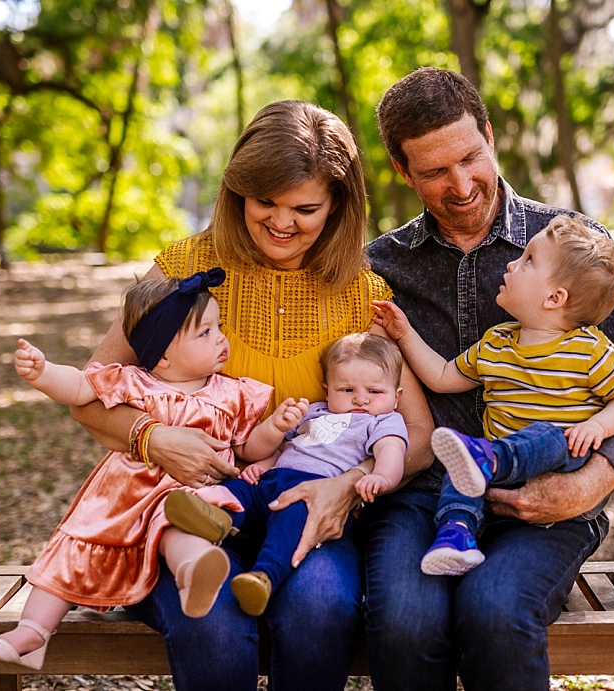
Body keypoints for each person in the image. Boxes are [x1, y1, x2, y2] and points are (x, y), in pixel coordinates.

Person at [69, 100, 434, 691]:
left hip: (306, 506)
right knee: (210, 620)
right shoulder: (184, 270)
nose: (281, 222)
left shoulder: (361, 293)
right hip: (186, 512)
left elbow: (416, 437)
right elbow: (88, 391)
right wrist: (153, 437)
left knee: (319, 607)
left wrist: (347, 484)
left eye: (305, 208)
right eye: (265, 200)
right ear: (238, 189)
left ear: (338, 206)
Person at [361, 67, 614, 690]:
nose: (460, 185)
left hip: (551, 490)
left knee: (496, 611)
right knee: (402, 622)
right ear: (403, 171)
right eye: (433, 172)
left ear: (489, 135)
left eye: (470, 157)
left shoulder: (569, 244)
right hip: (423, 491)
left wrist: (588, 484)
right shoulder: (383, 267)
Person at [0, 271, 305, 669]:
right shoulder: (135, 382)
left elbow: (245, 447)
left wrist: (275, 428)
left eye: (219, 328)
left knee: (180, 522)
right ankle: (31, 635)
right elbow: (79, 389)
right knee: (74, 546)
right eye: (205, 332)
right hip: (124, 497)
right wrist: (43, 373)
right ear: (162, 355)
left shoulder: (231, 393)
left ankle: (193, 572)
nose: (220, 338)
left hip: (190, 497)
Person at [372, 214, 614, 576]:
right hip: (496, 466)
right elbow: (441, 377)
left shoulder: (590, 350)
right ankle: (456, 538)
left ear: (555, 297)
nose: (511, 263)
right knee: (461, 469)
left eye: (528, 260)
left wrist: (598, 425)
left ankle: (485, 459)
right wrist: (403, 333)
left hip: (556, 461)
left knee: (546, 434)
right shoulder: (496, 342)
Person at [163, 332, 409, 615]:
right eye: (347, 390)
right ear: (327, 389)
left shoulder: (384, 421)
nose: (361, 399)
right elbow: (288, 446)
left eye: (375, 392)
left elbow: (392, 452)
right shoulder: (315, 412)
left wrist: (381, 477)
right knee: (237, 489)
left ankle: (263, 577)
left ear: (396, 395)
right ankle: (212, 513)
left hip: (315, 494)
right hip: (272, 481)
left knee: (290, 526)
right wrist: (265, 464)